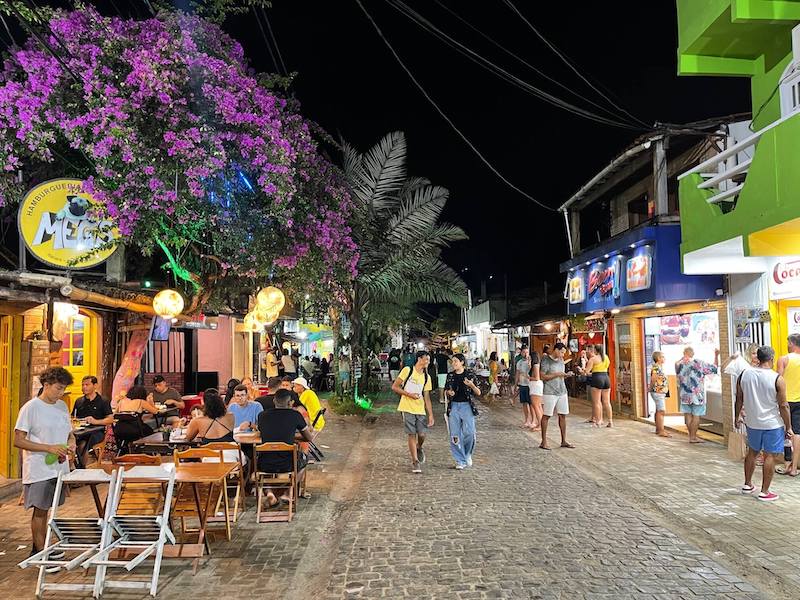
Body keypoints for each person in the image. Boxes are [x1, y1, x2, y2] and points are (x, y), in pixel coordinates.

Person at [14, 367, 76, 559]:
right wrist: (48, 448)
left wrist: (71, 445)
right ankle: (39, 551)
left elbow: (69, 433)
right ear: (46, 385)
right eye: (58, 388)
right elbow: (18, 440)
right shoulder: (30, 408)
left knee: (49, 508)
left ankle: (43, 545)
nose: (61, 392)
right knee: (40, 510)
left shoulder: (62, 406)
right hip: (39, 468)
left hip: (58, 467)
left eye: (63, 389)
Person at [735, 346, 792, 501]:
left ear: (758, 358)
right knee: (770, 456)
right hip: (772, 424)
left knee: (752, 452)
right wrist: (789, 427)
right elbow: (783, 406)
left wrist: (736, 417)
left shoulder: (744, 374)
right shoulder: (776, 379)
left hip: (752, 422)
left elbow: (738, 398)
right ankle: (765, 491)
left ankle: (747, 484)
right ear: (771, 358)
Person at [257, 388, 315, 506]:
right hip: (288, 463)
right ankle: (288, 492)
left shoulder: (262, 415)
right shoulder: (295, 415)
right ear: (290, 403)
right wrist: (292, 437)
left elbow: (262, 432)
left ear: (274, 401)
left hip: (264, 463)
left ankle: (269, 492)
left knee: (258, 465)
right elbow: (309, 437)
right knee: (304, 458)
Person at [392, 350, 434, 474]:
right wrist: (409, 395)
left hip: (420, 409)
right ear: (419, 359)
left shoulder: (427, 377)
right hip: (406, 407)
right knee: (411, 434)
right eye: (426, 359)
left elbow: (427, 397)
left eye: (429, 360)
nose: (428, 362)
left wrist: (430, 414)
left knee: (422, 434)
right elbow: (395, 387)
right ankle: (415, 461)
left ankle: (419, 447)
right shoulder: (407, 370)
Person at [675, 346, 719, 443]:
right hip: (697, 394)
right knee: (696, 415)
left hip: (684, 394)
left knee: (687, 414)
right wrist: (716, 355)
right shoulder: (698, 363)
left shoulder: (679, 364)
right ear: (693, 354)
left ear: (684, 353)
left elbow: (677, 375)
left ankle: (691, 436)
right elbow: (714, 369)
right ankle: (693, 437)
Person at [444, 353, 481, 469]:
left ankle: (467, 453)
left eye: (456, 361)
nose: (453, 364)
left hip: (467, 406)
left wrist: (472, 386)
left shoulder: (470, 374)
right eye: (452, 361)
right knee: (455, 434)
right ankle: (460, 460)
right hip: (454, 406)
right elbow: (446, 390)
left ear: (462, 362)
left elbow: (479, 392)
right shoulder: (450, 375)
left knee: (469, 432)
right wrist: (448, 393)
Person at [539, 343, 575, 450]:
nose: (563, 355)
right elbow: (543, 376)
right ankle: (543, 441)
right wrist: (558, 374)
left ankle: (563, 440)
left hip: (562, 390)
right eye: (562, 352)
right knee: (547, 416)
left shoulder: (561, 361)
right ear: (556, 350)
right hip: (550, 391)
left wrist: (566, 375)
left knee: (563, 415)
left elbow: (561, 375)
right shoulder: (546, 360)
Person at [71, 375, 113, 464]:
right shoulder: (79, 401)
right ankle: (76, 466)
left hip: (97, 432)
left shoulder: (103, 400)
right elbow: (73, 417)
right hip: (80, 431)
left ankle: (81, 467)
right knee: (71, 440)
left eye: (87, 385)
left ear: (95, 386)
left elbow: (110, 419)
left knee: (83, 444)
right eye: (82, 385)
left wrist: (95, 421)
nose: (84, 387)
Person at [777, 334, 800, 476]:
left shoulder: (784, 359)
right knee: (797, 433)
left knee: (787, 431)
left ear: (791, 343)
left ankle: (786, 464)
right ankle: (794, 468)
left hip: (785, 401)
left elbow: (777, 380)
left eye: (787, 342)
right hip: (799, 400)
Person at [585, 344, 613, 428]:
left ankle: (598, 422)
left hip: (597, 378)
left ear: (595, 350)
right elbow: (606, 367)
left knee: (597, 402)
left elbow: (587, 371)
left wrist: (582, 370)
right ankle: (610, 421)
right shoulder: (606, 357)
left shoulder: (593, 359)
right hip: (606, 378)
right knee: (607, 402)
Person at [649, 352, 671, 438]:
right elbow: (653, 378)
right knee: (661, 411)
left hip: (660, 391)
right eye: (663, 357)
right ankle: (661, 430)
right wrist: (651, 388)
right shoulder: (656, 367)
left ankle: (659, 429)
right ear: (658, 358)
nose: (664, 359)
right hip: (658, 391)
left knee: (658, 410)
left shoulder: (659, 367)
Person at [515, 346, 534, 429]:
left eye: (527, 352)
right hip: (522, 384)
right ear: (521, 353)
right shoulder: (519, 362)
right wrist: (516, 385)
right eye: (524, 352)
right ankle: (527, 420)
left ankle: (533, 420)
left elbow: (533, 371)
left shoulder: (532, 362)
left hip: (530, 384)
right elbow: (517, 374)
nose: (525, 354)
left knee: (531, 404)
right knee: (524, 403)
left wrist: (530, 363)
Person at [528, 349, 543, 431]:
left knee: (536, 406)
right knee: (538, 405)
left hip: (535, 386)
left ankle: (541, 424)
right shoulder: (535, 365)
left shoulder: (536, 365)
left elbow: (536, 378)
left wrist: (528, 377)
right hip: (535, 386)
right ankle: (540, 423)